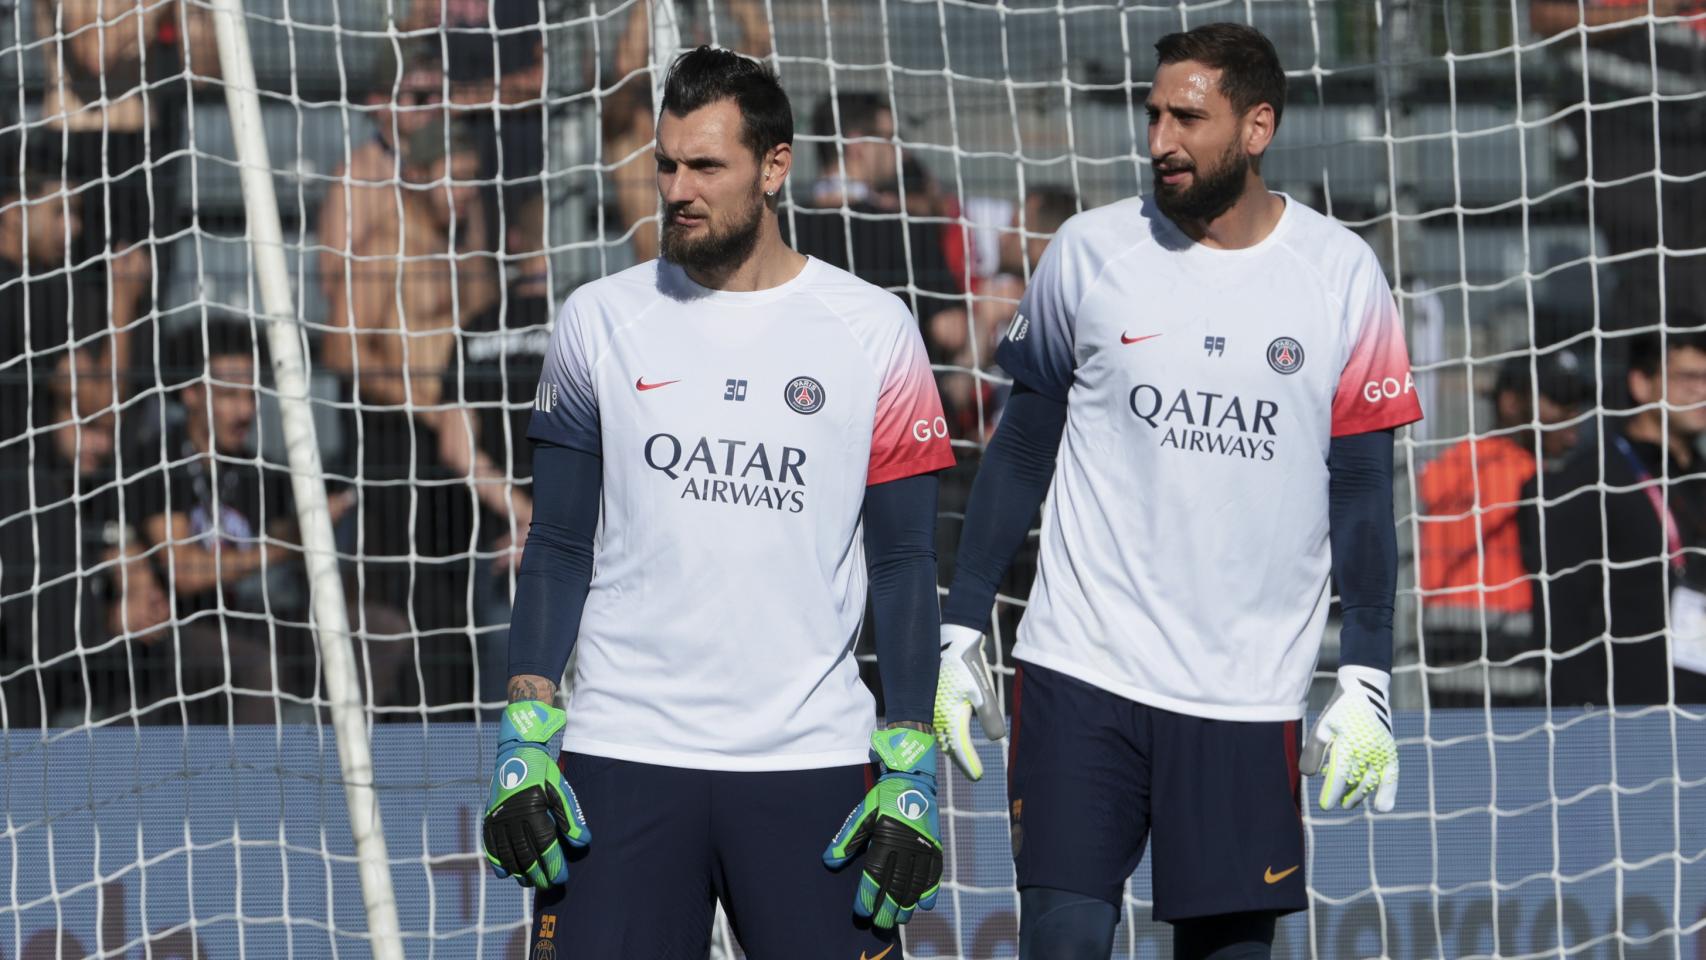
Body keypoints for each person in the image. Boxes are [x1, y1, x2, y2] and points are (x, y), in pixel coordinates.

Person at [930, 24, 1423, 960]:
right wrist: (959, 629)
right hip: (1082, 671)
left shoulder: (1341, 274)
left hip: (1245, 692)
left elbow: (1361, 487)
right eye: (1153, 112)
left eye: (1188, 116)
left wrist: (1367, 668)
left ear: (1257, 127)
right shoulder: (1089, 250)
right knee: (1064, 939)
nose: (1161, 138)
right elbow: (1021, 449)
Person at [480, 47, 956, 957]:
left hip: (810, 759)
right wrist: (525, 731)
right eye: (665, 164)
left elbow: (903, 564)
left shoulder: (874, 330)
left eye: (706, 166)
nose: (678, 189)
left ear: (774, 166)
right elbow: (558, 545)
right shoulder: (598, 319)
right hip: (622, 755)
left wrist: (910, 758)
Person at [1520, 326, 1706, 707]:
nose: (1702, 390)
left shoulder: (1697, 479)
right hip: (1629, 719)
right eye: (1688, 377)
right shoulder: (1590, 481)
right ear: (1640, 383)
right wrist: (1585, 728)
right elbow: (1562, 620)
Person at [1417, 349, 1589, 706]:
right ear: (1510, 402)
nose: (1570, 423)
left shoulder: (1448, 463)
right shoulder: (1538, 479)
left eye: (1576, 408)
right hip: (1511, 650)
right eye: (1558, 403)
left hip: (1433, 646)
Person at [1528, 1, 1706, 330]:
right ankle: (1652, 374)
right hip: (1613, 114)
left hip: (1695, 118)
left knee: (1694, 277)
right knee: (1649, 270)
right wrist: (1654, 9)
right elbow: (1544, 15)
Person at [785, 91, 959, 326]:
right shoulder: (905, 229)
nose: (899, 151)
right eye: (889, 138)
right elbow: (950, 329)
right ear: (857, 145)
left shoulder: (782, 226)